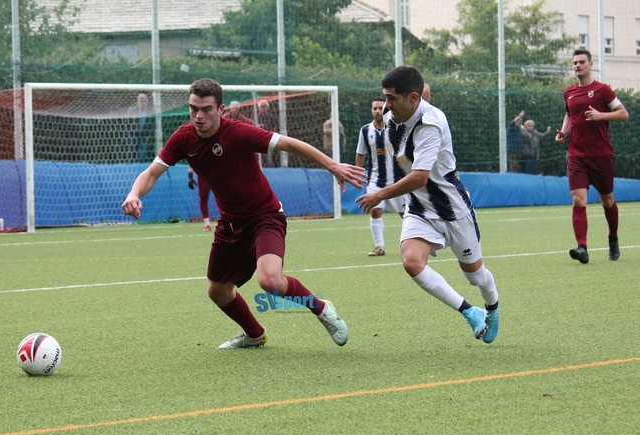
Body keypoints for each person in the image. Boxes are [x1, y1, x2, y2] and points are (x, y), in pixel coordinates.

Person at [122, 78, 367, 349]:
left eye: (206, 109)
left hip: (265, 216)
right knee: (217, 291)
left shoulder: (239, 133)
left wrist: (332, 165)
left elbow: (289, 144)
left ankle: (322, 309)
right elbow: (152, 172)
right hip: (230, 223)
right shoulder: (183, 137)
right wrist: (134, 194)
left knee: (270, 280)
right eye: (193, 109)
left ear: (221, 109)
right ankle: (254, 334)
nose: (199, 116)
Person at [356, 66, 500, 344]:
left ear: (411, 98)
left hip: (451, 208)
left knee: (476, 276)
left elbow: (420, 177)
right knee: (411, 261)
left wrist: (380, 194)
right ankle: (470, 312)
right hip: (420, 208)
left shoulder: (430, 125)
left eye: (391, 99)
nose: (385, 106)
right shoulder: (393, 114)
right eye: (384, 98)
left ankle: (492, 308)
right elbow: (422, 93)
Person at [555, 49, 629, 264]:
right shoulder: (569, 92)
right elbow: (569, 114)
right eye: (574, 63)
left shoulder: (602, 90)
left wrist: (600, 115)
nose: (577, 66)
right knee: (578, 199)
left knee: (607, 200)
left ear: (590, 64)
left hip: (601, 155)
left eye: (581, 62)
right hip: (577, 155)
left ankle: (613, 238)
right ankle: (582, 248)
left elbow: (623, 113)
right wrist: (564, 131)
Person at [355, 96, 405, 257]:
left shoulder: (395, 128)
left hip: (396, 180)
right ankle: (379, 246)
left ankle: (419, 242)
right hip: (375, 180)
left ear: (386, 110)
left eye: (380, 108)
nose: (377, 111)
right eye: (375, 108)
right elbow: (360, 153)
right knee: (375, 211)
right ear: (371, 111)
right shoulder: (365, 130)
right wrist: (358, 172)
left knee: (406, 214)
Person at [126, 93, 155, 163]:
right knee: (131, 152)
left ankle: (139, 166)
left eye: (144, 100)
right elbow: (127, 122)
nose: (142, 102)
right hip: (133, 134)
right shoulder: (132, 110)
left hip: (144, 135)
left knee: (142, 152)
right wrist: (129, 132)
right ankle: (131, 167)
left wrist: (149, 135)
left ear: (147, 101)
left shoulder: (151, 111)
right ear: (137, 101)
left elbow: (152, 124)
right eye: (140, 100)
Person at [256, 99, 278, 167]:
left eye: (264, 106)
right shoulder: (256, 116)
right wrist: (258, 126)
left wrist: (273, 134)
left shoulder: (270, 117)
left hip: (268, 138)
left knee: (269, 156)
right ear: (258, 108)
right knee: (258, 156)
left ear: (267, 108)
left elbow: (274, 126)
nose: (263, 108)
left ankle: (269, 168)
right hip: (258, 138)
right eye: (262, 106)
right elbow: (251, 125)